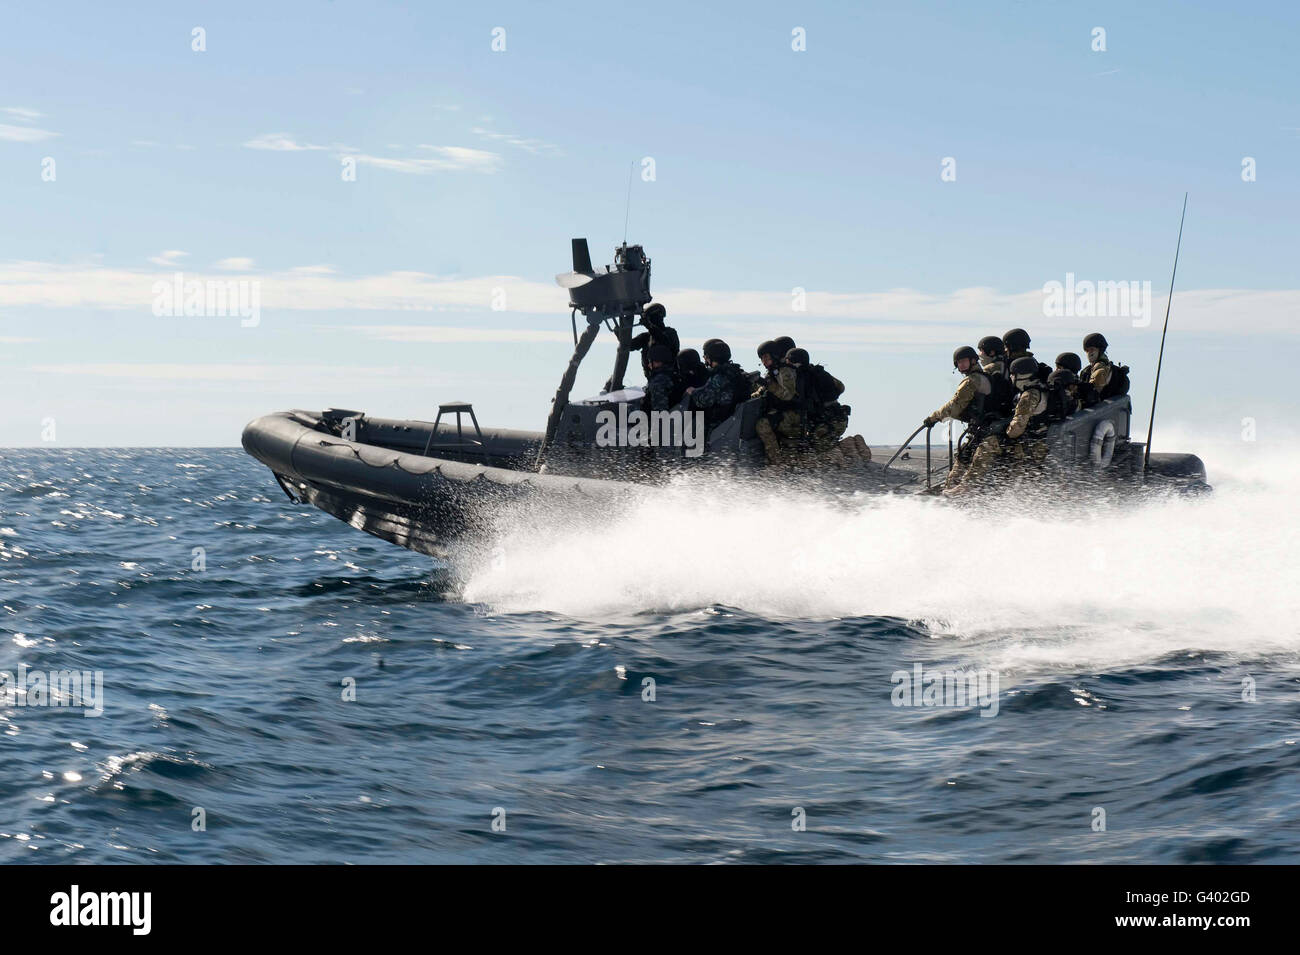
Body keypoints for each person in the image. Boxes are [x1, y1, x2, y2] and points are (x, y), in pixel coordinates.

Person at [945, 356, 1049, 497]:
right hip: (1036, 440)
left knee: (988, 444)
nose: (1012, 377)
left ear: (1022, 374)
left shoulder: (1029, 395)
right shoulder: (1041, 389)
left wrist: (1002, 433)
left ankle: (967, 486)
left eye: (1013, 374)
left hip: (1031, 444)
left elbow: (1017, 427)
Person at [924, 346, 993, 493]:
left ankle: (951, 497)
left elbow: (954, 407)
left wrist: (934, 417)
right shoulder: (986, 377)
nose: (960, 365)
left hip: (982, 431)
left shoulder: (972, 381)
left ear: (973, 360)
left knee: (958, 469)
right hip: (985, 429)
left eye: (963, 361)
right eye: (958, 362)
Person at [687, 339, 751, 433]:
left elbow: (704, 401)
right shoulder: (736, 371)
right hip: (734, 418)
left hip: (720, 424)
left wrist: (693, 392)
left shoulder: (719, 376)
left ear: (711, 357)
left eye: (706, 356)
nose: (705, 359)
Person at [628, 303, 680, 380]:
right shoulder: (646, 336)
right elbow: (629, 346)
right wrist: (621, 333)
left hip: (670, 378)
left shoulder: (670, 333)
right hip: (652, 378)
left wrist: (650, 327)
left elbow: (665, 342)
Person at [1079, 332, 1129, 405]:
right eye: (1087, 350)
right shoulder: (1087, 371)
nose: (1089, 353)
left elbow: (1093, 394)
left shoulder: (1104, 369)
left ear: (1100, 350)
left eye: (1092, 349)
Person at [978, 335, 1015, 415]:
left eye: (981, 350)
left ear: (991, 352)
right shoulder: (1009, 364)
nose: (979, 354)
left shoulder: (991, 368)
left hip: (995, 413)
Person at [643, 344, 683, 412]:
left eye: (650, 362)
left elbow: (659, 409)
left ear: (658, 362)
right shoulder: (672, 374)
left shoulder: (659, 380)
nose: (649, 365)